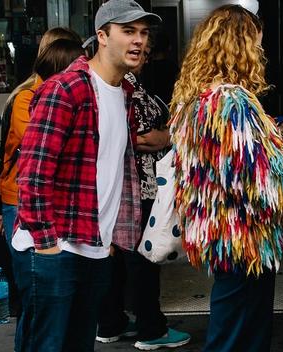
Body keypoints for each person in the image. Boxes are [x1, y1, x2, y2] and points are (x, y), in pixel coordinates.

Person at [168, 5, 283, 351]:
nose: (260, 55)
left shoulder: (200, 99)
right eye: (256, 47)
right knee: (236, 337)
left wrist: (281, 127)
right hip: (244, 240)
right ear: (240, 48)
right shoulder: (234, 102)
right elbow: (270, 184)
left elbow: (235, 159)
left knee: (234, 329)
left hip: (225, 236)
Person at [10, 0, 160, 350]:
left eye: (143, 33)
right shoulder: (67, 88)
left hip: (93, 247)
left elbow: (111, 170)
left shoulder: (123, 92)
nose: (139, 41)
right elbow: (32, 173)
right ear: (102, 36)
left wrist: (106, 240)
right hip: (54, 247)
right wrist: (47, 243)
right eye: (128, 31)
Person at [95, 38, 191, 350]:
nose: (144, 57)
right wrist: (168, 136)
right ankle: (151, 329)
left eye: (148, 52)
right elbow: (142, 138)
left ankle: (111, 323)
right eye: (140, 50)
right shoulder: (125, 86)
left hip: (117, 183)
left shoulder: (109, 84)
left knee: (116, 255)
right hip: (138, 183)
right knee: (143, 256)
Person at [0, 29, 82, 248]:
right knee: (33, 270)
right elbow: (40, 146)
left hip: (60, 196)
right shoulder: (25, 97)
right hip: (22, 198)